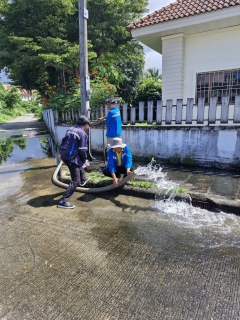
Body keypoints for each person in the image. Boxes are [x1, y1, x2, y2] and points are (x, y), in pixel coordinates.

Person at [57, 116, 91, 209]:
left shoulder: (71, 129)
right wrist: (85, 161)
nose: (88, 127)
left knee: (78, 163)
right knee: (76, 180)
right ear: (85, 125)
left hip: (64, 155)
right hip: (71, 158)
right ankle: (63, 201)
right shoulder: (82, 133)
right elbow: (82, 150)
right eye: (88, 125)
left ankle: (83, 179)